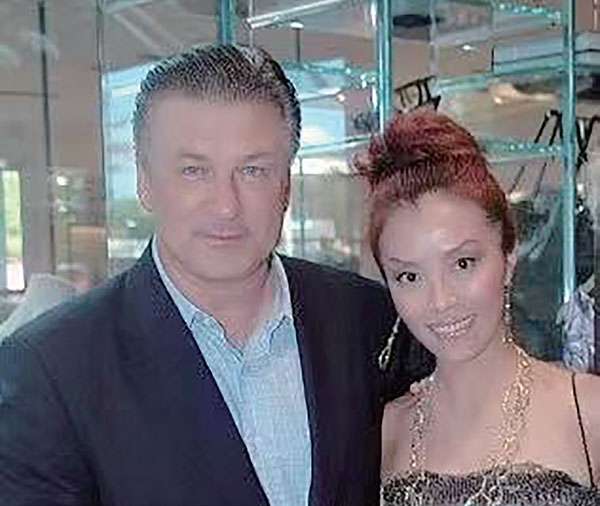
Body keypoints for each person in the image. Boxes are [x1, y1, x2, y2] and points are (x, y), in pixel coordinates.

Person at [0, 44, 432, 506]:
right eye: (194, 171)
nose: (226, 205)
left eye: (253, 170)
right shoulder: (50, 369)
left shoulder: (372, 318)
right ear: (145, 180)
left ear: (286, 184)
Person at [354, 110, 600, 505]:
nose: (441, 301)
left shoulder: (587, 412)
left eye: (463, 263)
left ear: (508, 256)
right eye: (409, 276)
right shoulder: (387, 430)